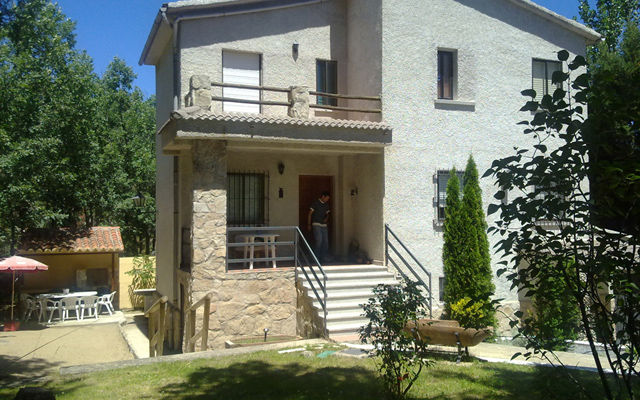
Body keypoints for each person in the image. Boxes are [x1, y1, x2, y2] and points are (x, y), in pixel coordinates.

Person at [307, 191, 331, 262]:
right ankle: (316, 257)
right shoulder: (315, 203)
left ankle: (323, 256)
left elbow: (327, 214)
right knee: (319, 240)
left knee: (325, 242)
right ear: (323, 196)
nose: (327, 200)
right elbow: (310, 213)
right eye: (327, 198)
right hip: (316, 223)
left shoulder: (326, 205)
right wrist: (309, 224)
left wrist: (326, 218)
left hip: (324, 224)